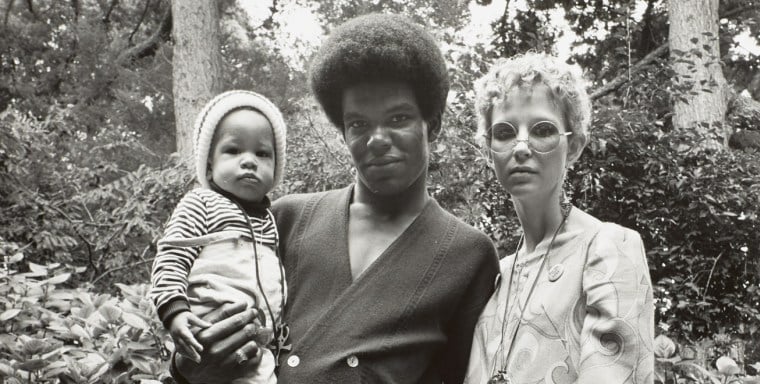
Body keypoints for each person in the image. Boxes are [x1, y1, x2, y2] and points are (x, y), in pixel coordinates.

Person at [171, 13, 500, 384]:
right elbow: (209, 311)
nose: (377, 138)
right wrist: (189, 366)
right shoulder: (284, 220)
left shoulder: (467, 255)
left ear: (433, 124)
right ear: (343, 133)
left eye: (398, 118)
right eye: (359, 124)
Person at [463, 52, 654, 384]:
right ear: (487, 150)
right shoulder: (497, 275)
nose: (521, 146)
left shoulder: (608, 247)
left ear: (575, 145)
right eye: (505, 133)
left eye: (542, 129)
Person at [150, 90, 288, 384]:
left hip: (256, 349)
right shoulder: (201, 202)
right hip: (205, 331)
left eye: (262, 153)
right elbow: (171, 256)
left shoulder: (272, 221)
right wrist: (175, 312)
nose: (249, 161)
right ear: (209, 164)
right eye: (234, 150)